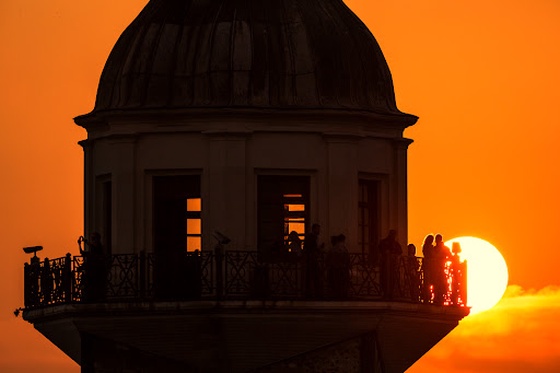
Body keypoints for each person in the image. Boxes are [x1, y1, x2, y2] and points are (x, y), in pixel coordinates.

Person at [78, 232, 108, 302]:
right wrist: (79, 244)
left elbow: (94, 248)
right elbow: (82, 252)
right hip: (91, 270)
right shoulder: (93, 249)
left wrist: (85, 242)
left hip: (97, 270)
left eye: (94, 238)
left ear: (98, 239)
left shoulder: (98, 248)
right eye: (92, 238)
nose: (92, 240)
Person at [378, 230, 402, 299]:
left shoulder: (395, 244)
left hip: (392, 266)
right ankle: (386, 292)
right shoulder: (384, 243)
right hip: (385, 265)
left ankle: (391, 292)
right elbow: (380, 250)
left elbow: (400, 252)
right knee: (384, 278)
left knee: (392, 279)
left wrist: (395, 257)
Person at [326, 234, 350, 299]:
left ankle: (336, 295)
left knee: (335, 283)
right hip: (342, 268)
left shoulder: (333, 249)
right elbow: (347, 259)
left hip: (334, 268)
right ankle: (342, 295)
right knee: (342, 283)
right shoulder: (344, 249)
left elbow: (328, 259)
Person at [304, 224, 324, 298]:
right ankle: (314, 292)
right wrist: (319, 249)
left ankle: (311, 292)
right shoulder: (312, 237)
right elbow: (313, 248)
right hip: (312, 259)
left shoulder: (310, 237)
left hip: (310, 259)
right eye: (318, 229)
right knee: (314, 276)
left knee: (311, 276)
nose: (319, 231)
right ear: (314, 229)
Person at [432, 234, 451, 305]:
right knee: (436, 284)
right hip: (435, 269)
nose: (437, 241)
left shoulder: (445, 249)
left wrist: (444, 260)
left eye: (438, 239)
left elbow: (450, 256)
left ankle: (440, 298)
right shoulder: (434, 248)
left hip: (441, 269)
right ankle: (436, 298)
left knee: (442, 284)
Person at [421, 234, 435, 303]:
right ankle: (426, 296)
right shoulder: (427, 247)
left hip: (431, 266)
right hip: (428, 266)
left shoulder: (428, 247)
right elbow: (430, 255)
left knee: (429, 282)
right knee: (427, 281)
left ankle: (428, 295)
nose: (432, 241)